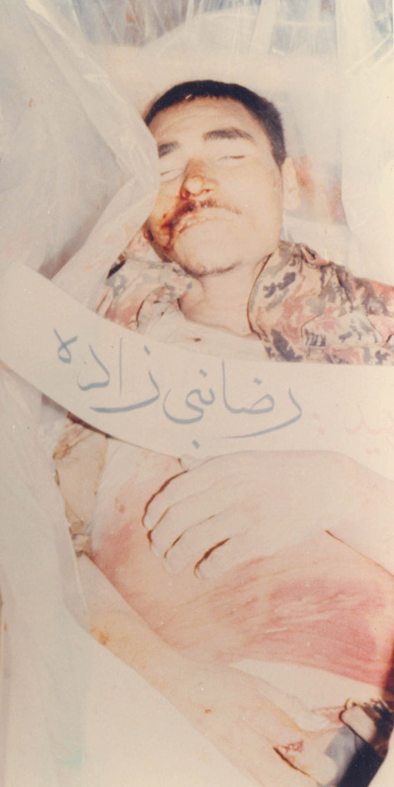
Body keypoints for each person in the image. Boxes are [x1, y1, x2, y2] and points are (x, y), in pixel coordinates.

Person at [54, 80, 394, 786]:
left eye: (229, 153)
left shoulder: (377, 333)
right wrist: (188, 692)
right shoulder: (99, 350)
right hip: (145, 721)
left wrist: (347, 494)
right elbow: (39, 547)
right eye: (164, 164)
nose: (196, 182)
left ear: (289, 183)